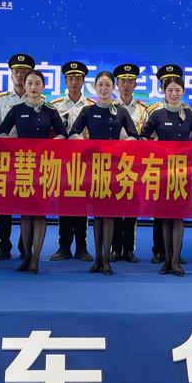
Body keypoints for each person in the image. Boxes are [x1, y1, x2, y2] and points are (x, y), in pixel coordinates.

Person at [0, 68, 68, 273]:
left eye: (38, 83)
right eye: (29, 83)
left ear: (43, 86)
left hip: (43, 168)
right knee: (25, 214)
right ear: (24, 85)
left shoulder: (50, 110)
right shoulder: (16, 110)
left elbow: (63, 134)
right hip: (23, 168)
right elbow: (1, 133)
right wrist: (16, 144)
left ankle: (36, 258)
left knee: (40, 214)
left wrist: (49, 145)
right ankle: (26, 256)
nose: (33, 87)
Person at [69, 71, 140, 275]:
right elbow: (72, 133)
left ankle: (107, 260)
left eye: (108, 85)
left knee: (109, 214)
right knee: (97, 216)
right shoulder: (87, 111)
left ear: (113, 87)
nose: (104, 89)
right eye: (100, 85)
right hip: (94, 169)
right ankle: (98, 258)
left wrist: (121, 146)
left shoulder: (121, 112)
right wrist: (86, 145)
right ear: (95, 87)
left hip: (114, 170)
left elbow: (135, 136)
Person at [140, 66, 192, 277]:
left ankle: (175, 260)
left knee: (178, 217)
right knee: (165, 217)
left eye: (177, 90)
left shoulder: (190, 115)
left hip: (182, 173)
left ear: (183, 91)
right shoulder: (157, 114)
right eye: (170, 90)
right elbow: (143, 137)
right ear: (164, 91)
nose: (174, 94)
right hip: (162, 173)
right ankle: (166, 259)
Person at [0, 54, 34, 260]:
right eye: (16, 70)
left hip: (30, 160)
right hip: (5, 159)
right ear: (11, 74)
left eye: (24, 71)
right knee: (4, 204)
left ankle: (25, 246)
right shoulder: (1, 100)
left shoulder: (39, 100)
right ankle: (3, 245)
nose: (20, 74)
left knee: (28, 203)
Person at [50, 61, 95, 262]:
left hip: (86, 164)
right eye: (70, 78)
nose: (74, 82)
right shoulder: (55, 106)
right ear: (65, 81)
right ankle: (64, 247)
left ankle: (82, 248)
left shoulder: (92, 106)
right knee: (65, 205)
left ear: (84, 81)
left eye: (78, 78)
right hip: (63, 163)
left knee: (82, 206)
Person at [114, 63, 152, 263]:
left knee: (131, 207)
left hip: (135, 165)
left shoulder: (144, 110)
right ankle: (114, 249)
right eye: (122, 81)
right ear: (117, 84)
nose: (126, 85)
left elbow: (149, 137)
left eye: (130, 81)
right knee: (112, 206)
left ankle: (129, 249)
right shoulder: (109, 107)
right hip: (112, 164)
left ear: (136, 84)